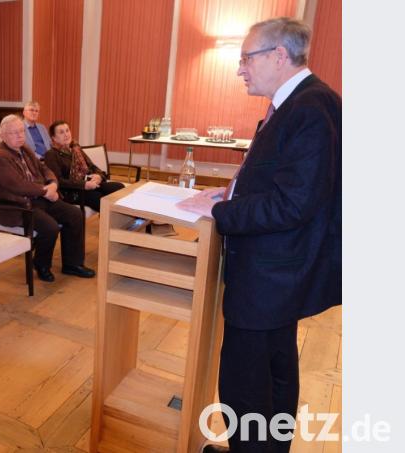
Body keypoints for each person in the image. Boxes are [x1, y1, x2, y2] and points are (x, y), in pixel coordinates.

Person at [176, 17, 341, 453]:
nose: (240, 69)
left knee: (245, 386)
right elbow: (278, 178)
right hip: (278, 274)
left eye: (247, 58)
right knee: (275, 373)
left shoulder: (308, 110)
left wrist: (221, 209)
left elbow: (293, 203)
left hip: (271, 277)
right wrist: (231, 189)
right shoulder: (300, 102)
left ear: (278, 56)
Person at [0, 115, 95, 282]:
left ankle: (72, 264)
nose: (20, 136)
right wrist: (46, 191)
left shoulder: (24, 148)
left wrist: (52, 183)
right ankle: (41, 264)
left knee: (74, 214)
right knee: (50, 227)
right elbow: (17, 185)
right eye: (14, 133)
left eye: (21, 131)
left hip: (38, 198)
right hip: (17, 206)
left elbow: (44, 168)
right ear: (2, 136)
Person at [43, 121, 124, 212]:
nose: (66, 134)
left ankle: (121, 219)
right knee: (98, 197)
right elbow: (58, 181)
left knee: (118, 187)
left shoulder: (76, 148)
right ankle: (111, 222)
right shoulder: (51, 154)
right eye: (61, 132)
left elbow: (93, 167)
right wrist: (84, 185)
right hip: (71, 191)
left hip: (88, 183)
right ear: (54, 138)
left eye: (67, 130)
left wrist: (99, 177)